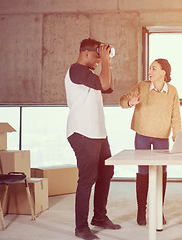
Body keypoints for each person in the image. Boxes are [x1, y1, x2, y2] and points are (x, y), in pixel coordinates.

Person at [65, 38, 121, 240]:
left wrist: (108, 61)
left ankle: (99, 217)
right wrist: (105, 60)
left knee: (106, 172)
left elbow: (108, 86)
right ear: (86, 53)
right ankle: (81, 228)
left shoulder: (88, 75)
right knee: (87, 178)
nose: (99, 61)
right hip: (82, 133)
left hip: (97, 133)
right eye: (97, 57)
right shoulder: (76, 70)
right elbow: (104, 82)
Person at [120, 58, 181, 226]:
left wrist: (177, 136)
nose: (150, 72)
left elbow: (175, 116)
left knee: (161, 172)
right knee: (143, 172)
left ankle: (158, 210)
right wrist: (130, 102)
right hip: (142, 135)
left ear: (164, 72)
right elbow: (123, 100)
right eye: (149, 68)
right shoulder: (142, 86)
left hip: (162, 137)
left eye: (154, 69)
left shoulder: (173, 91)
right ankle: (141, 210)